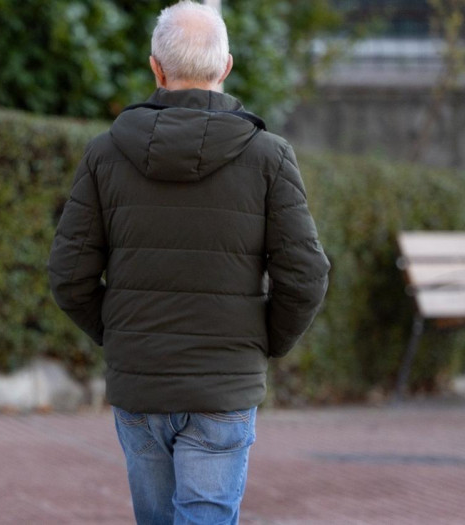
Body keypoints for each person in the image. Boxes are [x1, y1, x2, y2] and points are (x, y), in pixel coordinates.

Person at [48, 2, 330, 523]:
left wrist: (123, 333)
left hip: (142, 381)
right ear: (225, 67)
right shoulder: (270, 157)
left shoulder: (105, 154)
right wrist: (263, 342)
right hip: (223, 384)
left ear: (156, 68)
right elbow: (306, 276)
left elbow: (69, 276)